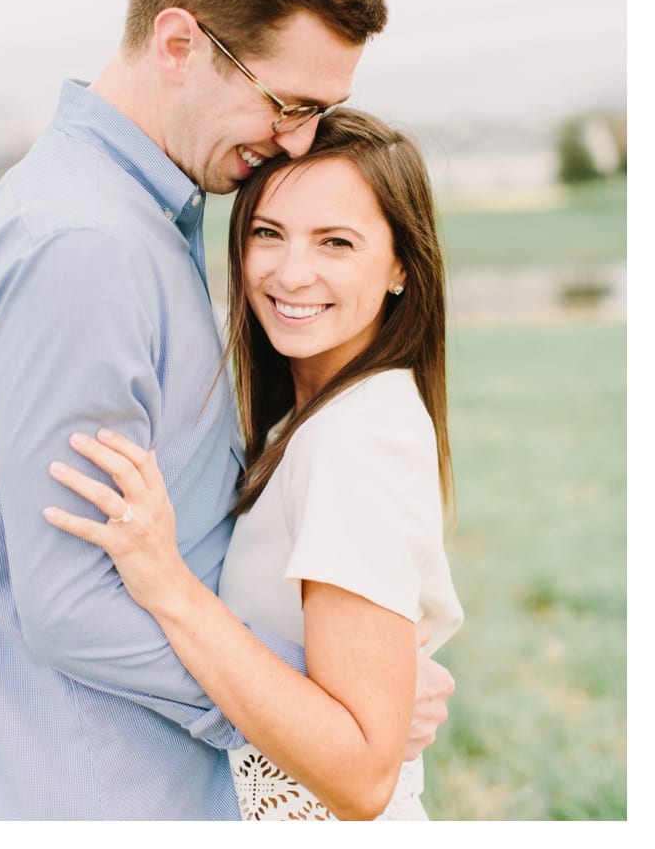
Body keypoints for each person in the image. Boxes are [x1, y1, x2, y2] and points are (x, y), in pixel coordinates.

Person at [0, 0, 453, 819]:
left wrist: (348, 686)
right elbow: (68, 601)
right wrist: (314, 702)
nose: (299, 144)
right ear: (179, 42)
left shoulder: (148, 212)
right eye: (289, 104)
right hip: (99, 793)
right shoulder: (89, 243)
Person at [46, 109, 462, 820]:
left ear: (399, 263)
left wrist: (169, 585)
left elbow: (362, 775)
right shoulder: (308, 422)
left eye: (336, 241)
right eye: (268, 233)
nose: (291, 272)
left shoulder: (354, 441)